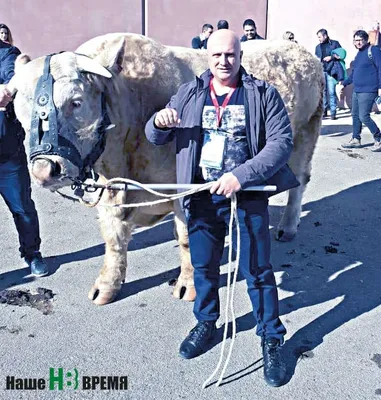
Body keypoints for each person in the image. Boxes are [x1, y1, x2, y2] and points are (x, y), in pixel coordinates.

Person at [145, 29, 298, 387]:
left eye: (230, 55)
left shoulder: (262, 94)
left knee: (257, 270)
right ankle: (206, 322)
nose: (223, 62)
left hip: (247, 195)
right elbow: (155, 136)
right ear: (207, 57)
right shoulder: (189, 93)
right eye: (216, 56)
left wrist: (240, 176)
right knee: (203, 266)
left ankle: (271, 336)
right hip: (201, 195)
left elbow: (281, 143)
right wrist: (159, 120)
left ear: (240, 56)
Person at [0, 38, 48, 276]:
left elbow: (14, 77)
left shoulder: (6, 53)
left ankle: (32, 253)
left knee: (23, 209)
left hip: (8, 154)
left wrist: (7, 88)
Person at [338, 30, 381, 151]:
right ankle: (356, 139)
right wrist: (344, 84)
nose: (358, 42)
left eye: (360, 40)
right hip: (357, 90)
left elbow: (380, 69)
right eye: (356, 40)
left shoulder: (373, 51)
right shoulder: (359, 54)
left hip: (369, 90)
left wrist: (380, 88)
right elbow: (354, 73)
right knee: (355, 115)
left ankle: (379, 138)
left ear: (366, 40)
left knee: (364, 116)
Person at [315, 29, 341, 119]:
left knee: (331, 92)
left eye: (320, 37)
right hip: (322, 71)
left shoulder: (334, 44)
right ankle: (324, 111)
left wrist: (331, 57)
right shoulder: (318, 47)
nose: (319, 39)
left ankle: (333, 113)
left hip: (332, 71)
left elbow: (341, 54)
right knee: (323, 92)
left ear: (325, 36)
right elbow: (316, 57)